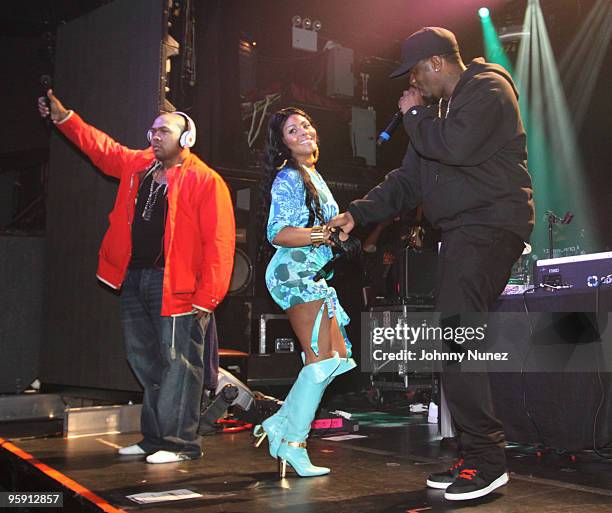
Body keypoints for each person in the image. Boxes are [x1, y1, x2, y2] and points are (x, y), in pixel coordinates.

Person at [330, 27, 535, 500]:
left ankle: (487, 461)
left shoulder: (489, 89)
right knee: (450, 338)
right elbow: (406, 182)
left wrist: (416, 114)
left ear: (437, 64)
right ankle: (475, 451)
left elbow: (456, 147)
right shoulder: (435, 117)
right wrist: (356, 214)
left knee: (453, 334)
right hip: (464, 231)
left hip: (491, 225)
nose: (412, 83)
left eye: (416, 73)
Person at [38, 90, 235, 464]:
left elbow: (220, 243)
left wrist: (207, 298)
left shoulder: (206, 181)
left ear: (186, 139)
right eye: (152, 131)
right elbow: (102, 149)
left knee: (180, 365)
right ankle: (154, 439)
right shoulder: (138, 166)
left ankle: (180, 445)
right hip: (136, 280)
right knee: (146, 361)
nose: (154, 137)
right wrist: (65, 118)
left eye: (163, 131)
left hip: (178, 288)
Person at [253, 107, 357, 477]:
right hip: (292, 273)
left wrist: (339, 229)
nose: (304, 132)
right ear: (283, 144)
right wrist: (323, 234)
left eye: (306, 125)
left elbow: (320, 227)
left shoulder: (312, 175)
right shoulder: (288, 177)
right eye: (293, 131)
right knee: (321, 361)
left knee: (335, 360)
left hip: (312, 274)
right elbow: (277, 232)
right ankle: (293, 443)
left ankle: (280, 424)